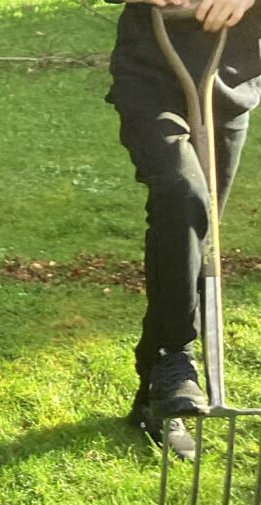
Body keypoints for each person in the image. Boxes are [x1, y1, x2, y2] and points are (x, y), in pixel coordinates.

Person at [107, 0, 259, 455]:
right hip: (150, 74)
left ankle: (156, 394)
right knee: (181, 196)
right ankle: (175, 358)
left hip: (229, 78)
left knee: (196, 232)